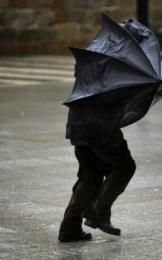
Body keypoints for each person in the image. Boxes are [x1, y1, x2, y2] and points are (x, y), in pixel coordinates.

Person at [58, 96, 136, 243]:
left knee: (90, 177)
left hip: (79, 120)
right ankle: (99, 211)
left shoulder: (87, 72)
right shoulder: (113, 72)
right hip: (101, 124)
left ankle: (70, 228)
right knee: (125, 167)